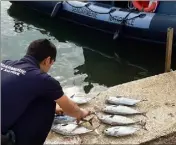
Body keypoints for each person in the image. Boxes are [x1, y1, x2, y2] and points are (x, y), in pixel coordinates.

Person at [1, 39, 90, 145]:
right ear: (47, 60)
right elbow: (70, 109)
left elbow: (13, 93)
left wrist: (57, 108)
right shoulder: (43, 79)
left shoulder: (5, 64)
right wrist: (81, 113)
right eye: (52, 63)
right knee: (48, 102)